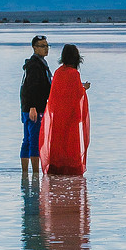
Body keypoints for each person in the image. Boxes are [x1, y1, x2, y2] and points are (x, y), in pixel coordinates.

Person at [40, 43, 91, 176]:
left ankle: (56, 167)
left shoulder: (58, 72)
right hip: (70, 117)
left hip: (58, 116)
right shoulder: (74, 74)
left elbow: (56, 93)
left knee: (58, 143)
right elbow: (77, 94)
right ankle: (70, 168)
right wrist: (84, 88)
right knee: (70, 144)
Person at [20, 34, 51, 176]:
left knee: (28, 139)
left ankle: (26, 173)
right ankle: (35, 174)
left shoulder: (39, 63)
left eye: (47, 46)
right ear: (34, 48)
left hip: (29, 107)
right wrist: (32, 106)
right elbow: (30, 87)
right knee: (33, 140)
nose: (46, 49)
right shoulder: (34, 65)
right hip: (33, 108)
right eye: (42, 46)